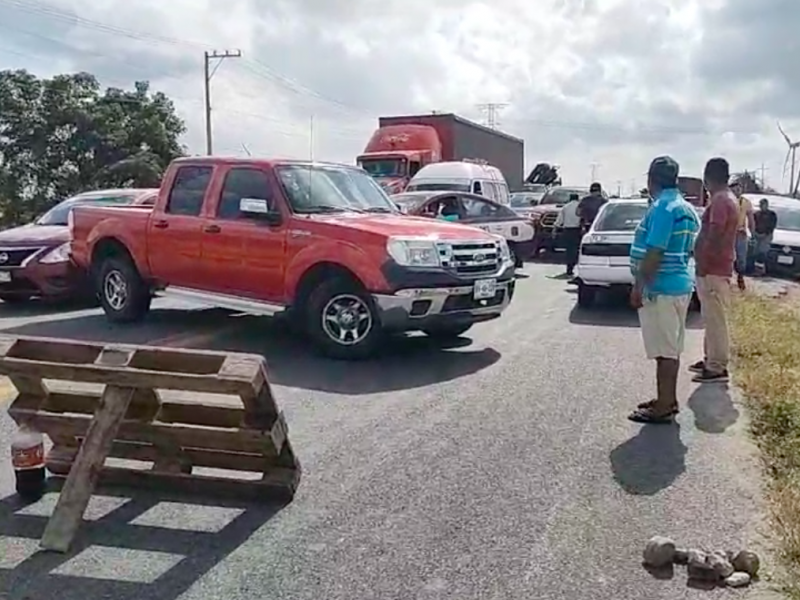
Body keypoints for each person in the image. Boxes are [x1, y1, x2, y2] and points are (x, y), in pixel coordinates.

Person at [627, 156, 700, 423]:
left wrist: (639, 285)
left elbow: (655, 251)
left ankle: (665, 406)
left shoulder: (663, 208)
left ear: (651, 180)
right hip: (679, 285)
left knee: (665, 351)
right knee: (670, 348)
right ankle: (666, 399)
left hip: (662, 289)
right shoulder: (686, 208)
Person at [690, 157, 739, 383]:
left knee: (715, 319)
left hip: (713, 268)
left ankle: (717, 365)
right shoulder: (729, 199)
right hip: (717, 267)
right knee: (710, 317)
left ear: (707, 178)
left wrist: (703, 260)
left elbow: (715, 234)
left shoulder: (720, 201)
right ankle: (711, 358)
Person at [731, 182, 754, 289]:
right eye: (735, 189)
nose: (737, 191)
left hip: (740, 233)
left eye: (739, 189)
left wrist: (752, 233)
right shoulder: (726, 201)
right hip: (727, 233)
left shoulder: (746, 202)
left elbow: (750, 218)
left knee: (742, 257)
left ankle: (740, 277)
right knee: (727, 256)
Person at [553, 192, 582, 277]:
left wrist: (554, 230)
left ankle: (569, 269)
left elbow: (559, 220)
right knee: (577, 250)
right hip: (578, 230)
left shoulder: (565, 207)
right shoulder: (580, 207)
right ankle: (576, 267)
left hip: (567, 230)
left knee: (569, 250)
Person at [752, 197, 777, 275]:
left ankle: (763, 270)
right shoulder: (756, 214)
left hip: (766, 236)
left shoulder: (772, 214)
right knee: (756, 253)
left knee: (763, 253)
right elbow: (753, 224)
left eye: (763, 204)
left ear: (767, 205)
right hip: (757, 235)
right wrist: (754, 233)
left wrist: (766, 234)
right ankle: (756, 270)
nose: (762, 206)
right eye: (761, 204)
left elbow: (772, 225)